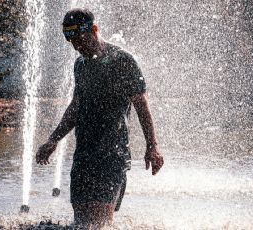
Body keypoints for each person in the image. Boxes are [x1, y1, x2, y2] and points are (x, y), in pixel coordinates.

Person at [35, 8, 164, 229]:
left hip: (112, 154)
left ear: (94, 30)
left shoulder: (122, 60)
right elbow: (76, 106)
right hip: (84, 154)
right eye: (71, 41)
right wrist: (53, 140)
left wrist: (152, 146)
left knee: (98, 224)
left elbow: (141, 105)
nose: (76, 46)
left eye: (79, 39)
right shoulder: (81, 65)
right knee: (81, 223)